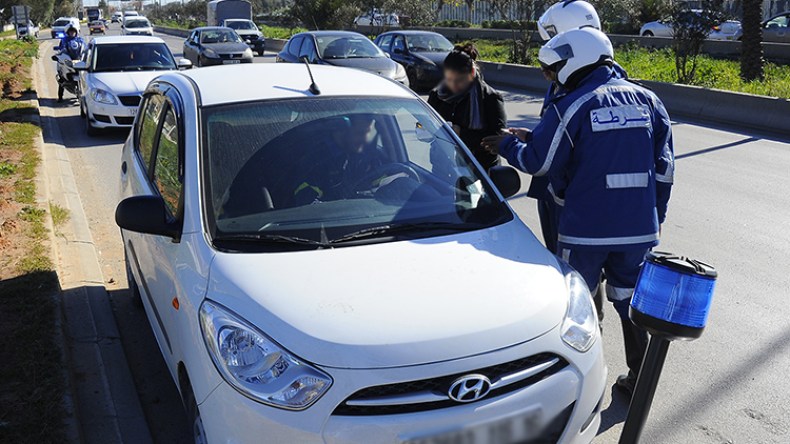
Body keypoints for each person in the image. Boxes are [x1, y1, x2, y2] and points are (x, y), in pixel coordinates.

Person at [481, 28, 675, 397]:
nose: (548, 76)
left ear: (574, 62)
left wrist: (507, 144)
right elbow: (664, 171)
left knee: (579, 306)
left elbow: (540, 162)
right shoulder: (651, 101)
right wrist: (655, 218)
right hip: (639, 230)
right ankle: (641, 382)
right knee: (632, 302)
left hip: (585, 230)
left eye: (551, 69)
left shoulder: (573, 104)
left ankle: (586, 388)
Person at [428, 44, 506, 171]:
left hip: (480, 171)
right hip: (442, 169)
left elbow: (496, 140)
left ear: (472, 73)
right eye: (449, 79)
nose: (453, 85)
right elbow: (425, 126)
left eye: (459, 80)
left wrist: (460, 134)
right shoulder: (437, 96)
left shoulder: (490, 98)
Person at [290, 115, 386, 205]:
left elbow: (383, 181)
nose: (364, 139)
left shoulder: (370, 154)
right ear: (341, 132)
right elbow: (305, 201)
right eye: (359, 133)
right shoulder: (315, 160)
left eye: (367, 133)